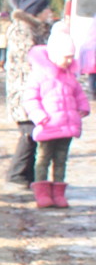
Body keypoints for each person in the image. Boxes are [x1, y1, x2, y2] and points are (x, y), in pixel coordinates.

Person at [23, 26, 89, 208]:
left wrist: (83, 107)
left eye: (71, 57)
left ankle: (59, 193)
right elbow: (30, 98)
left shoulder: (69, 76)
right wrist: (39, 116)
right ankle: (42, 193)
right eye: (65, 56)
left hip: (67, 126)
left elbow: (78, 94)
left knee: (61, 160)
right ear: (53, 55)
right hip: (48, 126)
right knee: (43, 159)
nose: (69, 60)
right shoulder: (39, 75)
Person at [0, 0, 54, 186]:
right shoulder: (22, 30)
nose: (50, 13)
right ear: (36, 11)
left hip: (34, 89)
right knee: (28, 133)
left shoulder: (35, 29)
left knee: (33, 133)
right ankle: (17, 174)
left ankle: (26, 174)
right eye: (46, 9)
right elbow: (29, 60)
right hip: (24, 90)